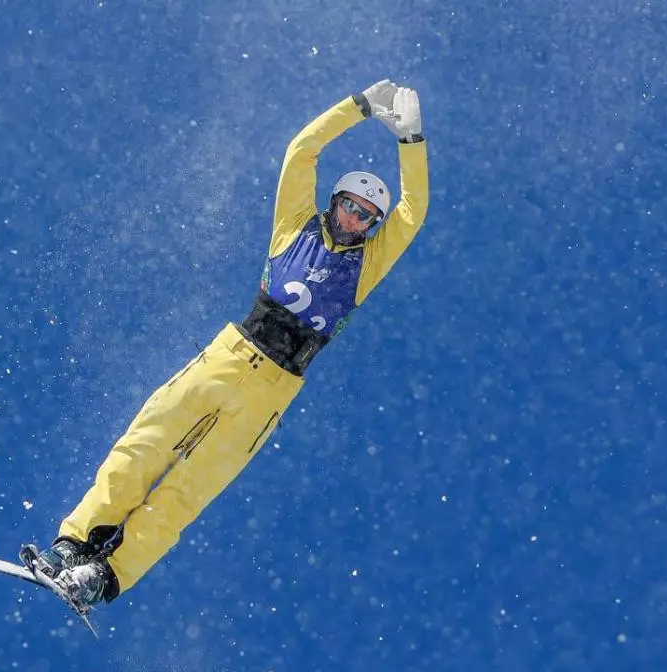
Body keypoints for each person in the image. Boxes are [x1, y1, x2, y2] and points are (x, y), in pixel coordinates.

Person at [28, 79, 430, 611]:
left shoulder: (365, 267)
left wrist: (413, 143)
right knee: (145, 445)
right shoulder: (294, 227)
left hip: (273, 390)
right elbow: (301, 151)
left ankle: (104, 576)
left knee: (188, 490)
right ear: (333, 203)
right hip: (227, 355)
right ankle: (72, 546)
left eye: (366, 217)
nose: (354, 220)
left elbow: (413, 210)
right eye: (349, 206)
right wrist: (355, 108)